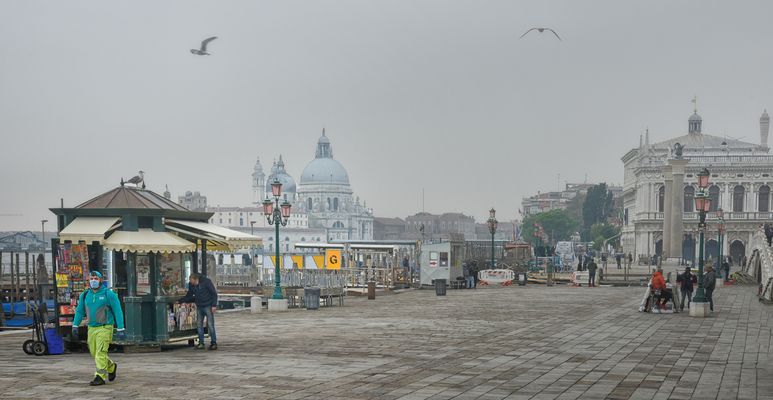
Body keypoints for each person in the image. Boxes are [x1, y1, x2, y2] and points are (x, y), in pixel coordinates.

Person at [72, 271, 125, 386]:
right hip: (91, 328)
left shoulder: (109, 294)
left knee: (100, 352)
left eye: (96, 278)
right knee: (94, 353)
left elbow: (118, 311)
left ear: (101, 280)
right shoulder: (85, 295)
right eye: (91, 278)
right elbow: (80, 311)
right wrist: (75, 325)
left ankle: (100, 376)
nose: (93, 280)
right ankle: (111, 366)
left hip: (105, 327)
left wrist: (121, 328)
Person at [179, 273, 219, 350]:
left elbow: (214, 293)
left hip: (208, 306)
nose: (190, 282)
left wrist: (214, 305)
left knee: (210, 325)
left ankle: (213, 343)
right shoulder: (192, 285)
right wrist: (182, 301)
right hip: (199, 306)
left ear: (195, 279)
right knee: (199, 325)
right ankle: (201, 343)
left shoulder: (206, 282)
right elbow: (189, 295)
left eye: (191, 281)